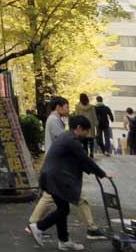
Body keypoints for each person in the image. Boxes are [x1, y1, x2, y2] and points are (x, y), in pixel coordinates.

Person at [28, 97, 107, 240]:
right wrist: (101, 173)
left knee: (60, 205)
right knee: (74, 199)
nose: (67, 109)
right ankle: (37, 226)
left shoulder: (58, 122)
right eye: (65, 106)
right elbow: (76, 151)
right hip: (58, 170)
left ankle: (60, 237)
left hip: (56, 169)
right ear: (58, 107)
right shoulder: (58, 126)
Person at [74, 93, 98, 158]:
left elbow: (76, 115)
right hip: (90, 125)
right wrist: (96, 124)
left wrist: (76, 124)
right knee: (91, 140)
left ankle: (86, 153)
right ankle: (91, 153)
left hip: (82, 125)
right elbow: (94, 116)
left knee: (84, 141)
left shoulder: (77, 106)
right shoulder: (91, 107)